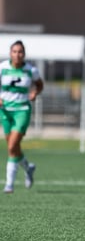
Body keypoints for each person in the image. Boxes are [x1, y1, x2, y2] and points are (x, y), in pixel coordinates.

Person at [0, 40, 44, 193]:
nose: (17, 54)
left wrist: (34, 92)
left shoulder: (31, 70)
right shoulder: (2, 68)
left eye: (20, 52)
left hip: (22, 110)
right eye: (14, 51)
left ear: (24, 54)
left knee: (12, 146)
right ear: (10, 53)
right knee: (14, 148)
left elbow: (39, 84)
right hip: (5, 111)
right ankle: (28, 167)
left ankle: (9, 185)